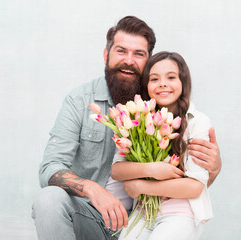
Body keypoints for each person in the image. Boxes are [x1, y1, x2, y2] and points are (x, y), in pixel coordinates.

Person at [31, 16, 222, 240]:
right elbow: (50, 167)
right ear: (106, 55)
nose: (129, 61)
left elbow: (189, 181)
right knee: (48, 199)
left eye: (139, 54)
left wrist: (214, 170)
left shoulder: (160, 105)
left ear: (149, 61)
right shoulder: (80, 100)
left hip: (145, 218)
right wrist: (92, 189)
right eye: (121, 51)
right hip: (91, 215)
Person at [111, 51, 213, 240]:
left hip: (180, 213)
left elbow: (194, 187)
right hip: (143, 213)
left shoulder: (197, 121)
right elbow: (117, 170)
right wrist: (153, 169)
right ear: (146, 86)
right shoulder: (137, 121)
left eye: (171, 77)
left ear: (183, 82)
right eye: (154, 79)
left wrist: (141, 186)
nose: (163, 84)